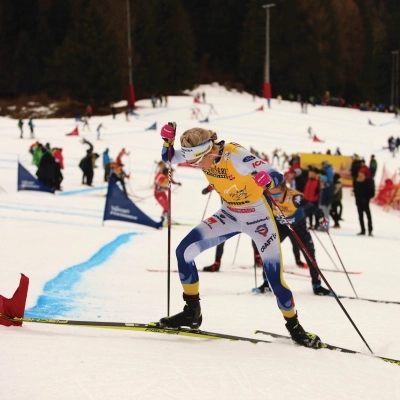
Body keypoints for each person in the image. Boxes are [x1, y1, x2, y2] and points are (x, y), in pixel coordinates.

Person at [157, 124, 322, 349]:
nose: (195, 166)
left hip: (259, 219)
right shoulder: (199, 155)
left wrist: (268, 179)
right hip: (230, 215)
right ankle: (191, 312)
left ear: (209, 151)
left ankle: (295, 328)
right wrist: (167, 142)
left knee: (274, 278)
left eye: (197, 162)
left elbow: (275, 174)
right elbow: (169, 158)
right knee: (184, 252)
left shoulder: (235, 155)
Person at [256, 182, 331, 296]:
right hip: (281, 227)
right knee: (269, 252)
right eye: (272, 195)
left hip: (298, 227)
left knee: (310, 254)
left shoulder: (296, 198)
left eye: (277, 195)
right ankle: (266, 283)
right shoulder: (266, 195)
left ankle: (317, 285)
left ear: (284, 190)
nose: (275, 198)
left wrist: (321, 219)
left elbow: (316, 210)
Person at [354, 170, 375, 236]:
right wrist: (357, 201)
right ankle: (362, 230)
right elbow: (356, 193)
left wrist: (366, 198)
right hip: (359, 203)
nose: (359, 177)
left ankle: (370, 230)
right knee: (360, 217)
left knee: (368, 217)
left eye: (361, 176)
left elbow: (372, 193)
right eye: (359, 176)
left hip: (365, 203)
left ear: (365, 176)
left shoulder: (368, 183)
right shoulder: (357, 183)